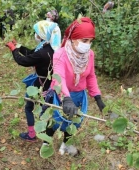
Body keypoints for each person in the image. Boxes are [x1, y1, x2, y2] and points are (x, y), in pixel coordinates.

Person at [44, 17, 106, 156]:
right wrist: (66, 98)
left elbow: (91, 76)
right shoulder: (60, 54)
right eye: (84, 41)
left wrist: (97, 98)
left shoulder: (89, 54)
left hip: (78, 95)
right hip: (61, 93)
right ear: (73, 38)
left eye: (90, 41)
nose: (88, 45)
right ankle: (46, 142)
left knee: (73, 122)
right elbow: (59, 77)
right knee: (55, 120)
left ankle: (65, 145)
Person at [5, 20, 61, 142]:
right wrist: (18, 46)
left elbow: (23, 61)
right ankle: (45, 137)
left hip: (41, 86)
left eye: (37, 33)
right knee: (45, 110)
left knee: (31, 107)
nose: (36, 35)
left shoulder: (43, 53)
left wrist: (13, 50)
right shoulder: (50, 47)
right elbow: (31, 53)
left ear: (43, 34)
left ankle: (33, 134)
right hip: (50, 85)